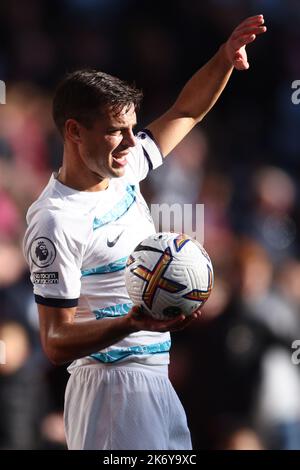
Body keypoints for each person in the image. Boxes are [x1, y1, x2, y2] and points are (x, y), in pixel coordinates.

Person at [23, 15, 267, 450]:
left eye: (134, 129)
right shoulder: (55, 220)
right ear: (74, 132)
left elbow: (186, 111)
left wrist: (223, 60)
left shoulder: (123, 169)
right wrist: (134, 322)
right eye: (117, 132)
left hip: (154, 379)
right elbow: (55, 341)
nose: (132, 143)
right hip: (110, 389)